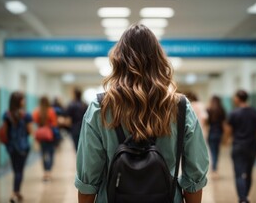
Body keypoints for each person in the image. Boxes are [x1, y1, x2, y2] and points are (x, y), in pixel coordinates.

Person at [75, 24, 209, 203]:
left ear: (118, 61)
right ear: (159, 60)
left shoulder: (100, 107)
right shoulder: (180, 107)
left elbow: (88, 179)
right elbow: (195, 176)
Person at [225, 90, 256, 203]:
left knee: (239, 174)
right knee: (249, 173)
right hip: (251, 146)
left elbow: (228, 131)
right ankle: (245, 195)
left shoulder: (233, 113)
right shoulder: (255, 112)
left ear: (237, 99)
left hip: (238, 146)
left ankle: (242, 198)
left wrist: (226, 140)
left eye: (234, 97)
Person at [1, 91, 33, 202]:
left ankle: (17, 192)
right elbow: (30, 131)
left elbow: (4, 132)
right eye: (23, 99)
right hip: (23, 147)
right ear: (19, 101)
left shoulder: (7, 115)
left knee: (16, 170)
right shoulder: (26, 115)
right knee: (20, 171)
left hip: (11, 147)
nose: (24, 101)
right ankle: (14, 193)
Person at [33, 96, 57, 181]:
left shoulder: (37, 111)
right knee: (51, 154)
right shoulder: (51, 111)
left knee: (43, 154)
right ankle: (49, 172)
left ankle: (45, 172)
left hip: (41, 136)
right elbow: (54, 124)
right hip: (49, 135)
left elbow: (35, 121)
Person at [206, 95, 226, 178]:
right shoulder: (221, 110)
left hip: (211, 133)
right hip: (219, 133)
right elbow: (224, 124)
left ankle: (213, 168)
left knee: (212, 152)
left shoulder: (209, 110)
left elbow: (207, 122)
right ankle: (214, 168)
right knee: (216, 152)